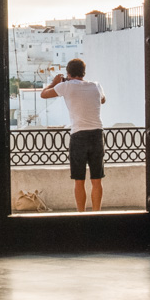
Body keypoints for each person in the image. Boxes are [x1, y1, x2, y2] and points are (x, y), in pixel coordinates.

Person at [40, 58, 107, 211]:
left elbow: (44, 94)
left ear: (68, 73)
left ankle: (81, 214)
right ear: (84, 72)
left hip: (78, 135)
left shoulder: (65, 86)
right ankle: (97, 215)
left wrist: (54, 83)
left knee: (79, 180)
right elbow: (103, 100)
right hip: (97, 134)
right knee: (97, 180)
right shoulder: (96, 85)